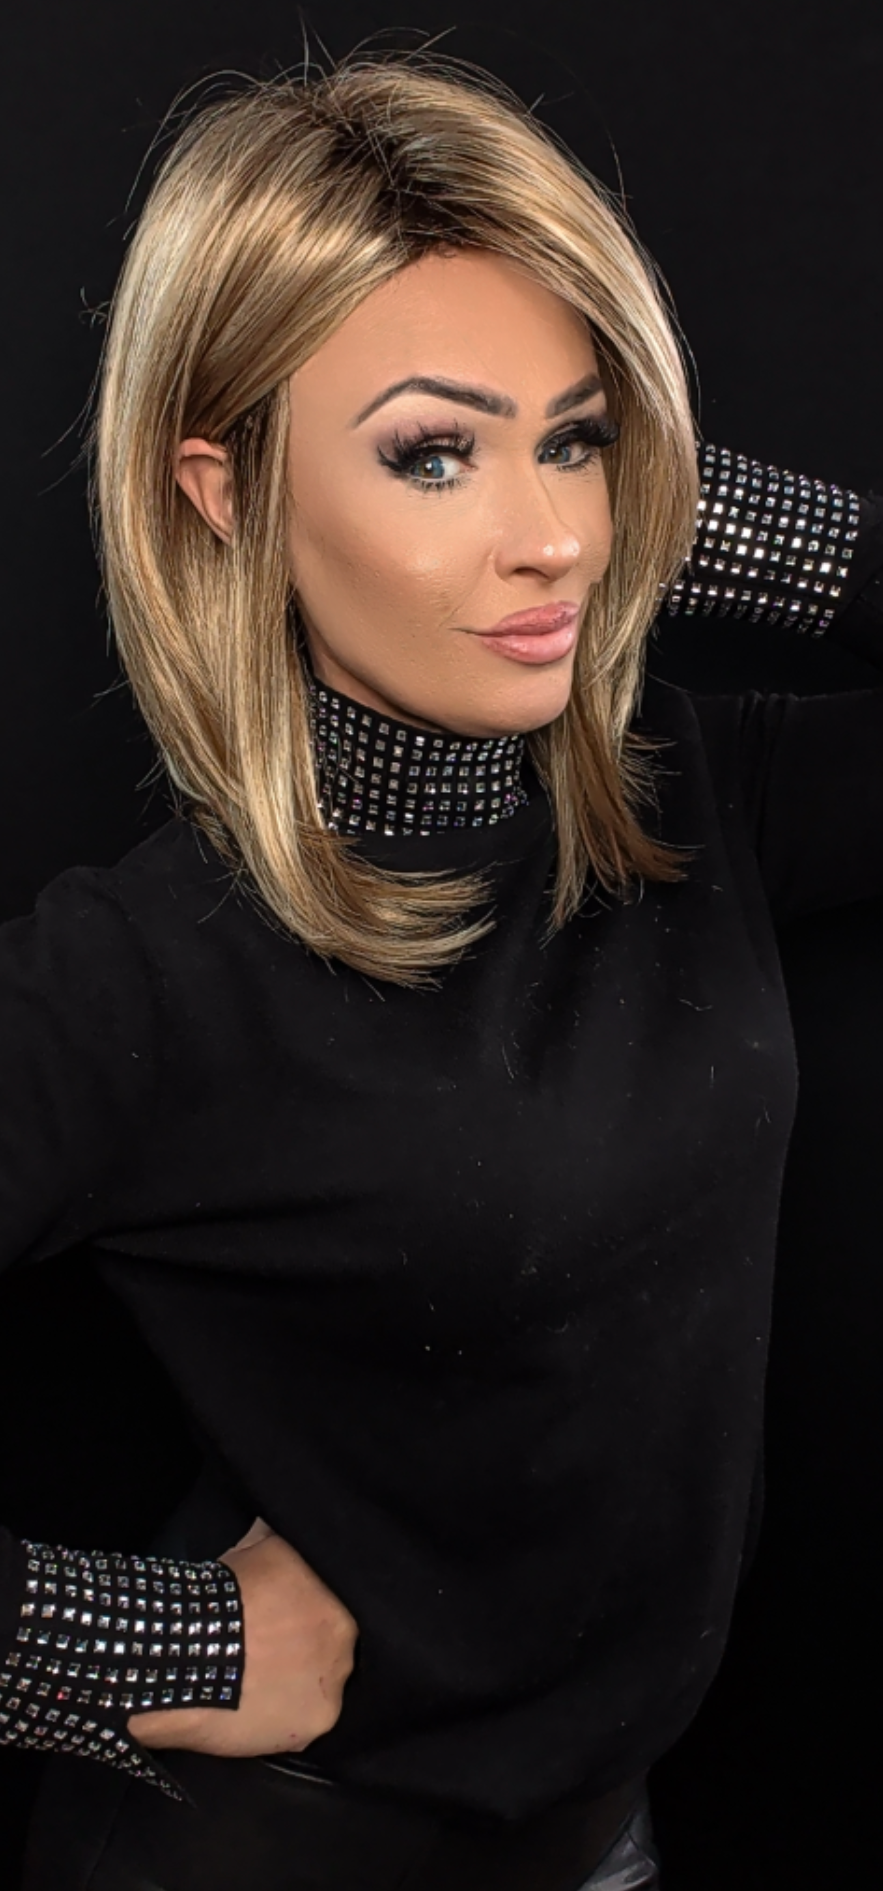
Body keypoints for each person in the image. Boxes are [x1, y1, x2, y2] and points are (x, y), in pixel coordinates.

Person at [2, 54, 881, 1891]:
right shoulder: (139, 981)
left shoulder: (695, 795)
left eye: (575, 436)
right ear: (225, 488)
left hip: (607, 1831)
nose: (550, 534)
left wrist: (668, 494)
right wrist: (131, 1643)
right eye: (432, 451)